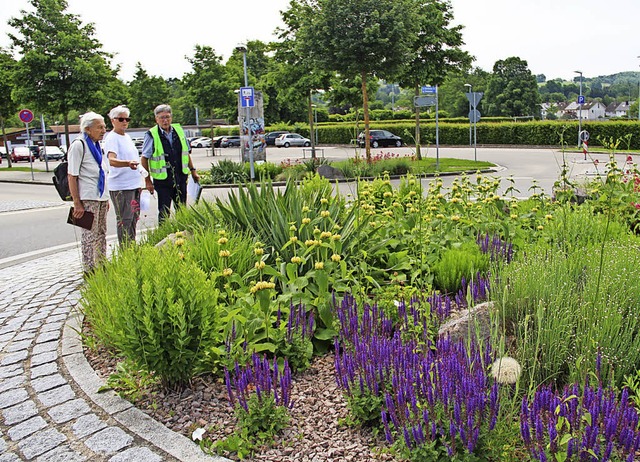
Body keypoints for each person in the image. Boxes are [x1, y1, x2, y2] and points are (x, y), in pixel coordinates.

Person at [141, 104, 199, 223]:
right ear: (156, 119)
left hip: (180, 177)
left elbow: (186, 153)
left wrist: (193, 171)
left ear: (171, 117)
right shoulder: (151, 134)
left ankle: (183, 234)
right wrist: (147, 180)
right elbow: (144, 158)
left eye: (167, 117)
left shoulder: (178, 130)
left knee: (182, 209)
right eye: (161, 117)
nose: (165, 120)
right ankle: (164, 237)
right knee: (164, 211)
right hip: (163, 180)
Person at [67, 112, 109, 274]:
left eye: (104, 126)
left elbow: (102, 172)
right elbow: (72, 175)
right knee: (89, 234)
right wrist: (77, 202)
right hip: (87, 197)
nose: (104, 130)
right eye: (100, 127)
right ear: (88, 129)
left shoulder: (97, 146)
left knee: (101, 233)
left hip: (101, 196)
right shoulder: (79, 145)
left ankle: (101, 264)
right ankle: (89, 269)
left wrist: (106, 198)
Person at [104, 105, 142, 246]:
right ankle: (125, 249)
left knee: (133, 218)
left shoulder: (126, 137)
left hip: (134, 184)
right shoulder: (112, 138)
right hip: (121, 186)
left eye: (127, 119)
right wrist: (127, 163)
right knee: (124, 220)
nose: (124, 122)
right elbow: (111, 160)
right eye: (121, 119)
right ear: (113, 120)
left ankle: (131, 247)